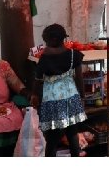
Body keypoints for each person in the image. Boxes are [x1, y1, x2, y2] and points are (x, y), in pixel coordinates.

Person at [31, 24, 87, 157]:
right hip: (71, 99)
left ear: (47, 41)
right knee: (72, 132)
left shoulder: (44, 59)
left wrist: (34, 95)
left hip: (52, 101)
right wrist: (82, 97)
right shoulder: (74, 55)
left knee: (52, 138)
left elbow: (38, 80)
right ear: (64, 39)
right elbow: (79, 78)